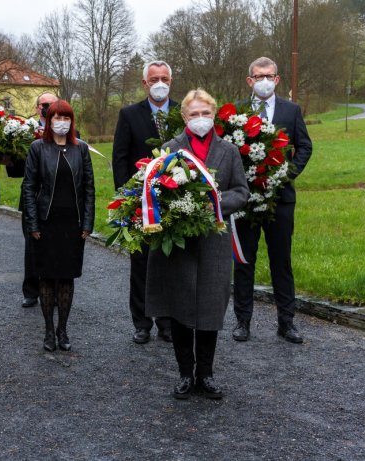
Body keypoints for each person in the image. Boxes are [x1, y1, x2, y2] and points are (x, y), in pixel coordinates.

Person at [147, 89, 249, 399]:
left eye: (205, 113)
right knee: (181, 310)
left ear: (214, 115)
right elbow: (156, 192)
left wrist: (215, 203)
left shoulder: (229, 151)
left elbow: (241, 192)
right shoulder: (169, 148)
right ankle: (184, 374)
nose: (200, 119)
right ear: (184, 117)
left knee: (208, 310)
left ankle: (205, 374)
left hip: (214, 242)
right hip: (180, 244)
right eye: (194, 114)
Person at [232, 57, 313, 344]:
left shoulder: (291, 111)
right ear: (250, 80)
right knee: (244, 261)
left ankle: (286, 322)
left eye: (269, 75)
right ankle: (242, 321)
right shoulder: (237, 112)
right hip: (247, 200)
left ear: (277, 79)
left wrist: (287, 174)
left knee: (281, 261)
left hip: (280, 200)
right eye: (258, 75)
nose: (264, 80)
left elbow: (305, 146)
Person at [112, 60, 178, 344]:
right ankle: (142, 322)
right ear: (145, 83)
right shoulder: (129, 115)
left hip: (174, 199)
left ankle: (167, 322)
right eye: (154, 79)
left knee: (169, 265)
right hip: (140, 200)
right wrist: (128, 197)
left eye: (164, 78)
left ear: (171, 81)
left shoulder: (181, 111)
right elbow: (120, 158)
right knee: (141, 264)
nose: (159, 83)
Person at [22, 100, 95, 352]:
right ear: (49, 120)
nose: (61, 122)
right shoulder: (38, 148)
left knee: (66, 278)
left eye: (66, 118)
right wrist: (32, 223)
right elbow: (28, 187)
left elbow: (89, 188)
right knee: (46, 277)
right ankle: (48, 331)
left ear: (71, 121)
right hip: (45, 223)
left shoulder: (81, 149)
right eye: (56, 117)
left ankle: (63, 329)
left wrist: (87, 223)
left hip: (72, 225)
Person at [19, 92, 59, 309]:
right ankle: (31, 290)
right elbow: (16, 168)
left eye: (53, 104)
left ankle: (54, 288)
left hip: (59, 198)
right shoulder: (24, 133)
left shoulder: (70, 130)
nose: (49, 107)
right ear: (38, 108)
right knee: (32, 245)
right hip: (33, 197)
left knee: (56, 244)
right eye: (45, 104)